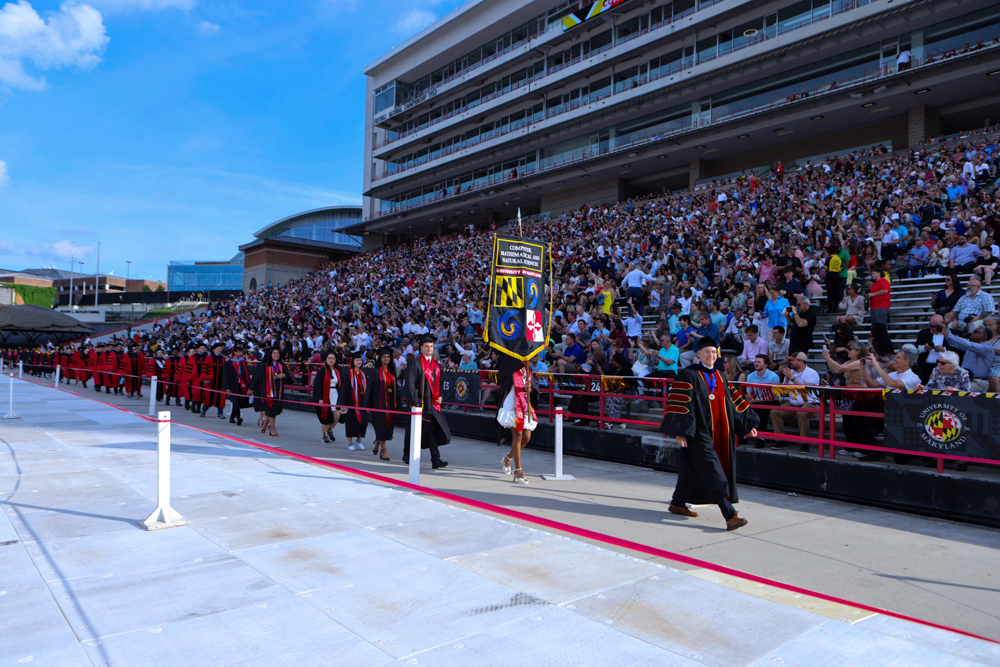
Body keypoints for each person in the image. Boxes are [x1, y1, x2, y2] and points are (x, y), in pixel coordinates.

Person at [659, 337, 758, 531]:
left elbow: (733, 401)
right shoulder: (689, 374)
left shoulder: (720, 375)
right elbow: (680, 403)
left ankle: (678, 502)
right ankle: (729, 515)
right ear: (699, 354)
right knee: (713, 470)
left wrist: (746, 423)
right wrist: (680, 432)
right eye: (707, 352)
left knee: (692, 468)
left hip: (721, 431)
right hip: (698, 431)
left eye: (714, 352)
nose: (711, 355)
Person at [849, 349, 922, 462]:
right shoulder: (893, 374)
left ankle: (921, 453)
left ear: (907, 361)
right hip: (887, 414)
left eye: (897, 357)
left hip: (902, 419)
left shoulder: (913, 378)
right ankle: (875, 452)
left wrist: (876, 363)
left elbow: (891, 384)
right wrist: (863, 369)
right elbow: (872, 384)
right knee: (858, 420)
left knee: (900, 460)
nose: (894, 359)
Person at [402, 335, 450, 469]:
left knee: (431, 430)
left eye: (431, 346)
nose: (429, 349)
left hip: (433, 404)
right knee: (414, 430)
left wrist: (441, 396)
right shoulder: (415, 364)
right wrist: (414, 402)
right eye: (426, 346)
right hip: (419, 403)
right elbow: (410, 385)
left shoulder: (437, 366)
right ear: (421, 348)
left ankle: (435, 458)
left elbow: (442, 383)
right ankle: (407, 454)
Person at [497, 353, 537, 484]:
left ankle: (508, 458)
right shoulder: (508, 361)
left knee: (527, 437)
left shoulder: (527, 366)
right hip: (511, 401)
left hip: (524, 402)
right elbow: (502, 378)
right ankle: (518, 471)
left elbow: (533, 388)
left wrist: (529, 388)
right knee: (518, 435)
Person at [770, 352, 820, 452]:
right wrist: (787, 380)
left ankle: (804, 444)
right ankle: (781, 441)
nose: (790, 362)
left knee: (802, 413)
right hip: (793, 403)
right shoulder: (790, 372)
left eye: (793, 360)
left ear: (801, 361)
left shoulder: (811, 373)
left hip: (811, 404)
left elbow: (805, 390)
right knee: (775, 412)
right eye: (790, 360)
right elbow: (783, 394)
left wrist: (792, 378)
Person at [366, 346, 400, 461]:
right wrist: (368, 405)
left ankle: (377, 442)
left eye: (388, 357)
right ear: (380, 359)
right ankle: (384, 451)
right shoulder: (375, 372)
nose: (386, 358)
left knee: (388, 428)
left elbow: (395, 389)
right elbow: (369, 389)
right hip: (378, 404)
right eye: (384, 357)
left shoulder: (392, 372)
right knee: (381, 427)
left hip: (390, 404)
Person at [250, 347, 288, 437]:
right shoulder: (264, 365)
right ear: (270, 355)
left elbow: (289, 377)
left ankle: (265, 424)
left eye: (278, 353)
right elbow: (257, 378)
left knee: (274, 409)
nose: (276, 355)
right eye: (274, 353)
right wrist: (251, 388)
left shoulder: (282, 365)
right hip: (266, 390)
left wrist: (284, 375)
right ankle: (272, 429)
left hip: (278, 391)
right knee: (271, 408)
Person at [743, 354, 780, 449]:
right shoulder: (750, 376)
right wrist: (750, 399)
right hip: (756, 401)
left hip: (771, 401)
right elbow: (749, 393)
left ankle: (761, 438)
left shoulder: (774, 377)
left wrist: (754, 400)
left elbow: (772, 396)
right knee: (742, 407)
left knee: (762, 409)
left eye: (759, 362)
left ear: (766, 364)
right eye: (755, 361)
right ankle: (743, 435)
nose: (756, 364)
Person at [311, 350, 342, 444]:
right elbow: (317, 386)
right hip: (325, 396)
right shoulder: (321, 372)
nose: (331, 360)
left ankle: (330, 430)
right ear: (325, 359)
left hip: (335, 394)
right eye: (329, 358)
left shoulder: (338, 371)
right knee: (325, 418)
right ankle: (324, 435)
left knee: (337, 415)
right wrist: (319, 398)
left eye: (333, 358)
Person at [343, 351, 369, 451]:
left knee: (363, 422)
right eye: (357, 360)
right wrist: (342, 404)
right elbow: (344, 390)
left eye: (360, 360)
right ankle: (350, 443)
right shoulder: (347, 375)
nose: (359, 362)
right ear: (353, 362)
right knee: (350, 423)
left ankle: (359, 440)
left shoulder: (364, 375)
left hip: (362, 402)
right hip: (351, 402)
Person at [222, 345, 252, 426]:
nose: (240, 353)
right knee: (235, 401)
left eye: (241, 351)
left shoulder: (243, 362)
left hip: (242, 385)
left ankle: (232, 417)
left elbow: (246, 375)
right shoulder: (228, 363)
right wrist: (227, 387)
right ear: (234, 352)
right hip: (233, 385)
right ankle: (238, 417)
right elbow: (226, 376)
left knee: (238, 402)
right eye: (238, 351)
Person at [199, 342, 227, 419]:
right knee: (208, 397)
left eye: (220, 349)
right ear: (214, 350)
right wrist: (205, 378)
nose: (219, 350)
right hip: (210, 382)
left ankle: (220, 413)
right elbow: (205, 369)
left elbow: (225, 371)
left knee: (221, 398)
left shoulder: (223, 359)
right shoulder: (209, 358)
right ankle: (203, 411)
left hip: (220, 382)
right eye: (218, 349)